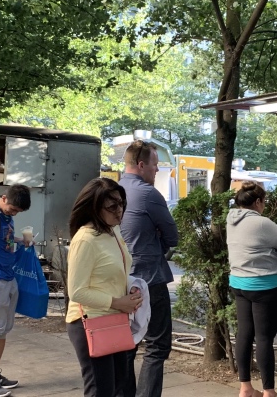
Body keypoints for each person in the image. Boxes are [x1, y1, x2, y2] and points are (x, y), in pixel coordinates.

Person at [67, 177, 143, 397]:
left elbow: (113, 273)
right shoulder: (85, 239)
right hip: (90, 322)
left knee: (119, 384)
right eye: (112, 206)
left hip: (115, 319)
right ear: (94, 208)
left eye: (121, 204)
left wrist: (129, 292)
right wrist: (117, 302)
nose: (119, 211)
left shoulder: (112, 231)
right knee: (101, 390)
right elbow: (77, 291)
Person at [118, 140, 178, 397]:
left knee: (125, 344)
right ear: (141, 165)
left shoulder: (112, 189)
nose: (156, 170)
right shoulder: (148, 194)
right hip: (150, 278)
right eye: (155, 164)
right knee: (157, 345)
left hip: (120, 280)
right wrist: (156, 241)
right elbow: (172, 236)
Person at [226, 181, 277, 397]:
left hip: (239, 283)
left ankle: (246, 388)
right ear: (258, 202)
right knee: (263, 338)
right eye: (264, 202)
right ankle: (269, 391)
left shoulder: (230, 221)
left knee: (244, 334)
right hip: (264, 285)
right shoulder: (263, 224)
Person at [0, 167, 33, 396]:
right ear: (3, 198)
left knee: (3, 330)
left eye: (18, 212)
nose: (14, 214)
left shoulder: (6, 217)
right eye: (12, 209)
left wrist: (21, 241)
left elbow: (6, 243)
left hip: (9, 276)